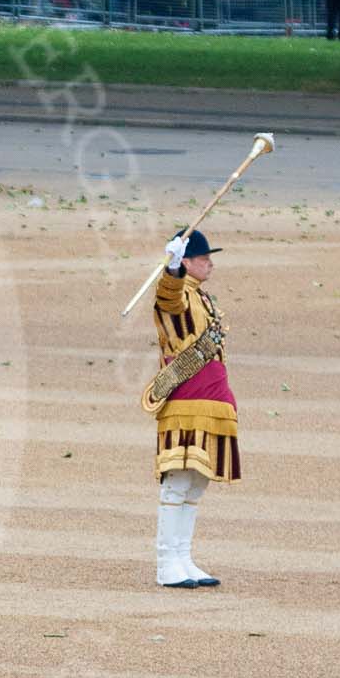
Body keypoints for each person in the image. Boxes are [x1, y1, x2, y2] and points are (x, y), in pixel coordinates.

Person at [151, 229, 240, 588]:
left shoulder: (203, 298)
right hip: (186, 397)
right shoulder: (175, 293)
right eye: (204, 259)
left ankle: (183, 557)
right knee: (177, 481)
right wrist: (171, 271)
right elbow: (169, 300)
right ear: (186, 261)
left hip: (213, 394)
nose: (211, 264)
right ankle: (165, 562)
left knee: (196, 483)